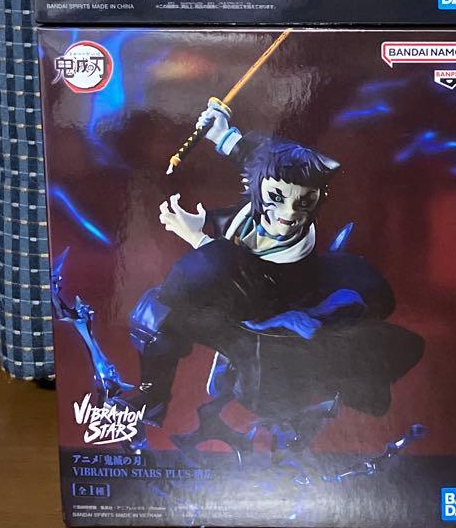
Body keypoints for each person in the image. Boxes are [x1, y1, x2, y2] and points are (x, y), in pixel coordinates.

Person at [123, 102, 423, 428]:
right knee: (153, 313)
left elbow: (239, 281)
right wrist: (222, 134)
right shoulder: (256, 202)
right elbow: (261, 162)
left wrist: (197, 238)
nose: (290, 213)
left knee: (267, 394)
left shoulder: (293, 252)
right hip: (232, 309)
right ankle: (152, 401)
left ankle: (251, 367)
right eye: (278, 198)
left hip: (265, 321)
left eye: (304, 202)